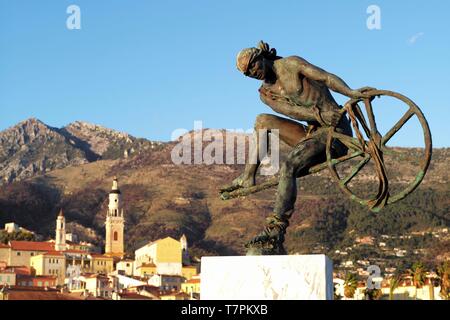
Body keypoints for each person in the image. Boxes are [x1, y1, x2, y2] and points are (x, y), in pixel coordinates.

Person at [223, 41, 374, 254]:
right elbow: (294, 113)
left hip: (335, 133)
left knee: (288, 166)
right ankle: (248, 175)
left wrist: (350, 93)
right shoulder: (266, 94)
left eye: (253, 67)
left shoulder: (291, 64)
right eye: (247, 74)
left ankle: (276, 229)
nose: (253, 73)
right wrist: (318, 116)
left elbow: (326, 77)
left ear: (261, 57)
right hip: (312, 131)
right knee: (262, 120)